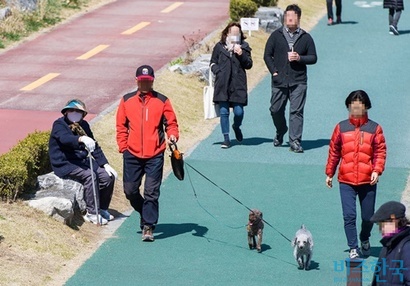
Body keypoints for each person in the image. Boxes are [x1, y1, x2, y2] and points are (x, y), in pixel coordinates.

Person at [116, 65, 179, 242]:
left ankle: (148, 226)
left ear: (152, 81)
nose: (145, 84)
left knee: (151, 192)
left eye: (148, 81)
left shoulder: (162, 100)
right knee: (130, 191)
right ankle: (146, 212)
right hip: (132, 154)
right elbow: (121, 126)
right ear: (136, 80)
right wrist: (123, 146)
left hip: (155, 154)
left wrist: (172, 136)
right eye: (142, 81)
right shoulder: (126, 100)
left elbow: (171, 123)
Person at [325, 90, 387, 259]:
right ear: (348, 106)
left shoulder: (375, 128)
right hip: (346, 180)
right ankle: (353, 247)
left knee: (368, 217)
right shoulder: (341, 127)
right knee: (349, 215)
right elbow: (334, 151)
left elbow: (380, 152)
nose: (356, 107)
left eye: (360, 104)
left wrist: (376, 170)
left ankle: (364, 238)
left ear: (366, 106)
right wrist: (330, 173)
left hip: (368, 181)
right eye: (353, 104)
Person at [49, 99, 117, 225]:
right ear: (66, 112)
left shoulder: (84, 125)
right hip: (65, 162)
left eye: (78, 111)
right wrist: (80, 138)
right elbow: (65, 139)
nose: (74, 113)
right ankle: (92, 212)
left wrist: (105, 164)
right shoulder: (59, 124)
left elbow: (94, 145)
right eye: (71, 110)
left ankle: (102, 208)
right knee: (90, 176)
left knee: (108, 177)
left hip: (81, 159)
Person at [263, 4, 317, 153]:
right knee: (275, 110)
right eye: (287, 16)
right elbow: (267, 55)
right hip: (279, 81)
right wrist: (274, 71)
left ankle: (295, 141)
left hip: (298, 81)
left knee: (296, 112)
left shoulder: (305, 37)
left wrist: (299, 58)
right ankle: (281, 130)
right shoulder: (276, 35)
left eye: (292, 16)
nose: (290, 19)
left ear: (298, 18)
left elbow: (313, 57)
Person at [210, 22, 253, 149]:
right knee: (224, 112)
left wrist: (241, 54)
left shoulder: (244, 47)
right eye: (232, 33)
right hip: (222, 84)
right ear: (226, 33)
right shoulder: (219, 47)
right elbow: (212, 62)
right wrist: (218, 71)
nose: (234, 35)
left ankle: (236, 126)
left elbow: (249, 64)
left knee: (239, 112)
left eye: (237, 33)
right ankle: (226, 138)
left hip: (238, 84)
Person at [370, 201, 410, 285]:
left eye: (382, 224)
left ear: (394, 220)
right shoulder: (388, 244)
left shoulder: (407, 247)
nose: (380, 229)